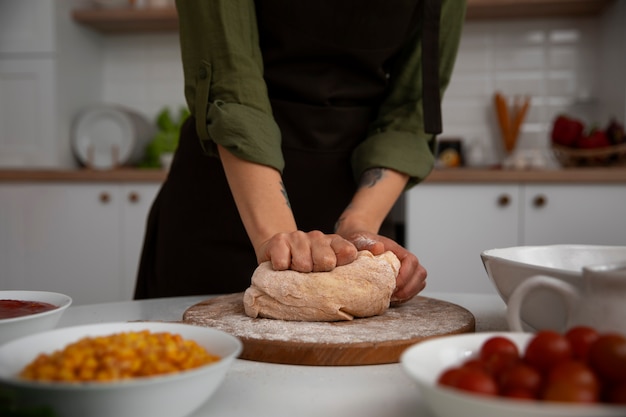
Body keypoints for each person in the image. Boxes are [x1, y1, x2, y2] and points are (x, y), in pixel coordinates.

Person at [134, 0, 467, 302]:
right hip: (227, 198)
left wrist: (359, 226)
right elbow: (230, 80)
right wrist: (277, 237)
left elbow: (411, 110)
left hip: (356, 194)